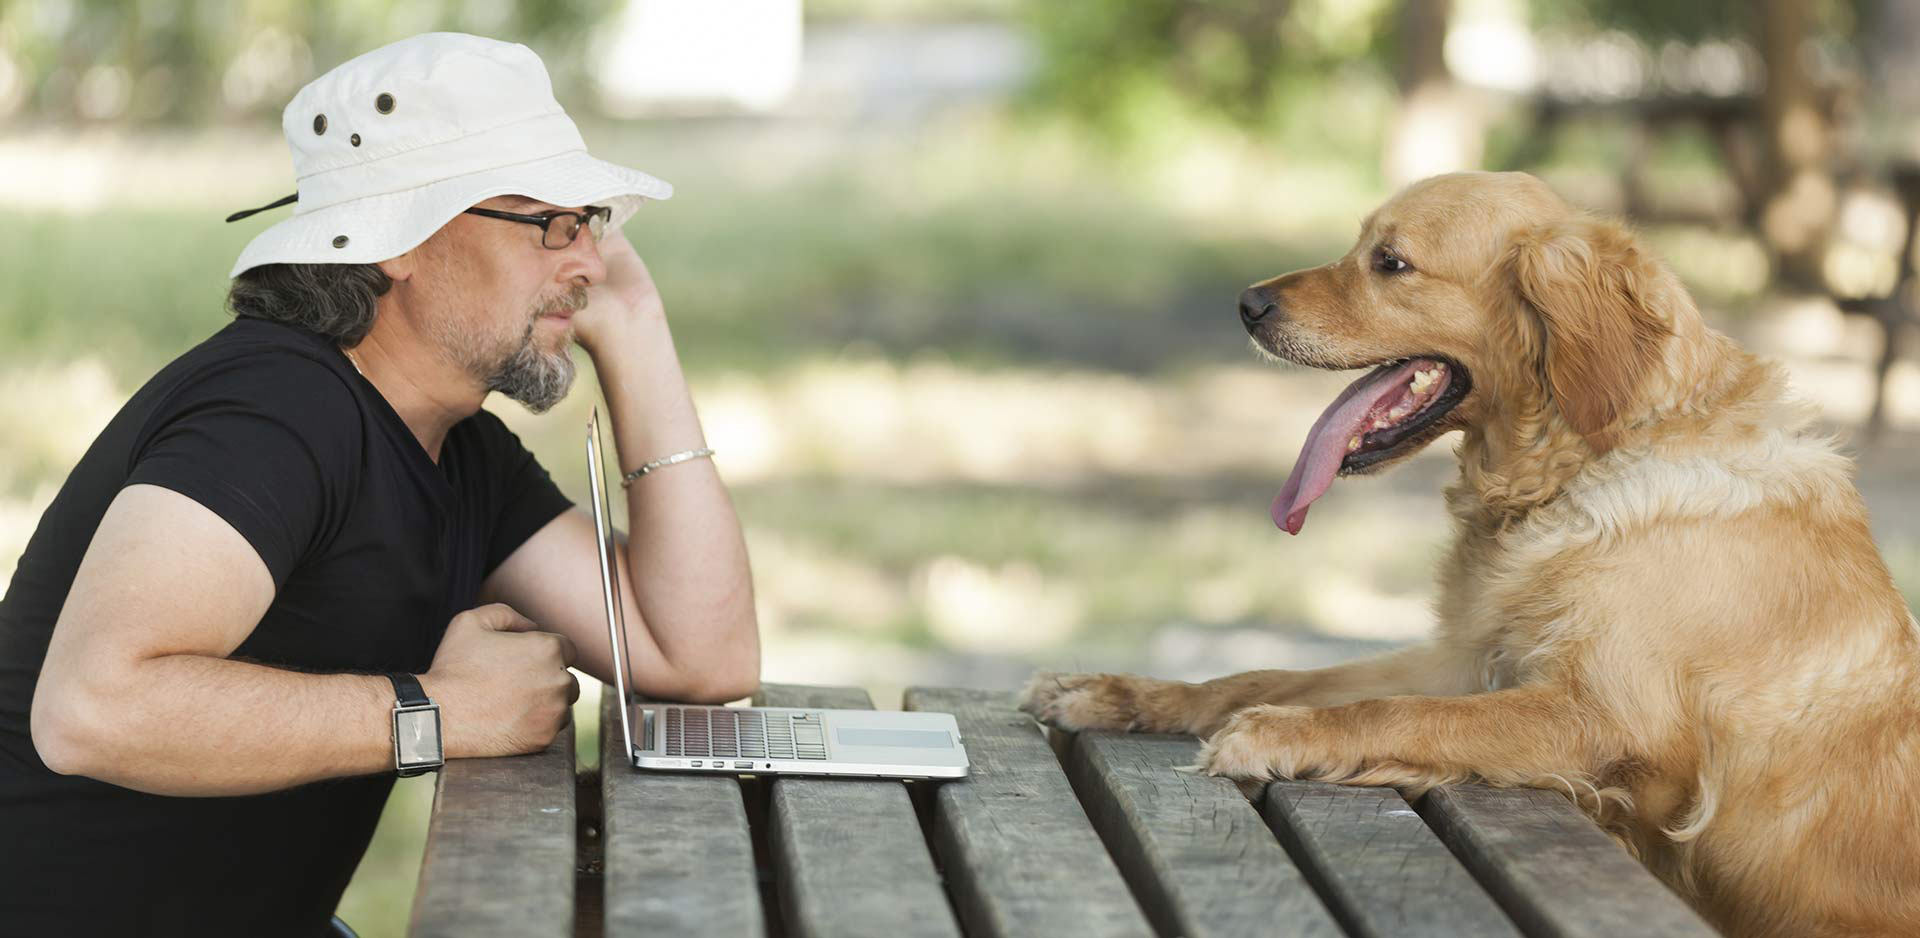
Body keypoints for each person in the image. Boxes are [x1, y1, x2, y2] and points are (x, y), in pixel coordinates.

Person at [0, 33, 760, 936]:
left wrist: (638, 325)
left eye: (589, 221)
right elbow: (92, 709)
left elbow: (695, 656)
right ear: (401, 238)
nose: (587, 263)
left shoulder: (453, 441)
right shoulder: (277, 412)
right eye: (549, 224)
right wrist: (438, 714)